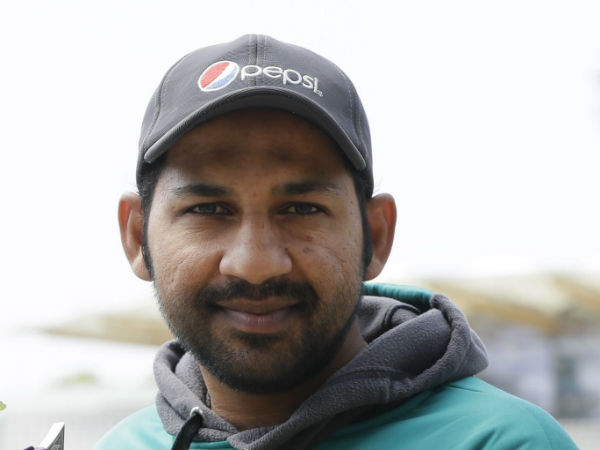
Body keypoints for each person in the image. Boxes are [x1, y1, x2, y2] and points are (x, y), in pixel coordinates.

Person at [95, 35, 578, 450]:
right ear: (137, 237)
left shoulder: (500, 441)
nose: (255, 263)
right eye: (208, 210)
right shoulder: (123, 445)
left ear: (376, 236)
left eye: (301, 208)